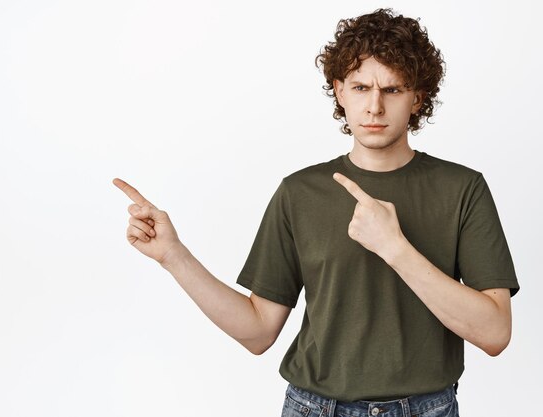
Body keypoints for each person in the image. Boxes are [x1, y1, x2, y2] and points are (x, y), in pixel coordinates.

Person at [114, 8, 519, 417]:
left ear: (417, 97)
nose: (375, 107)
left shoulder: (463, 189)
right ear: (340, 91)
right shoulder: (299, 192)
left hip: (426, 408)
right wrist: (174, 256)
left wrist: (394, 248)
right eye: (361, 88)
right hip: (315, 407)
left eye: (393, 90)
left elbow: (495, 333)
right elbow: (257, 331)